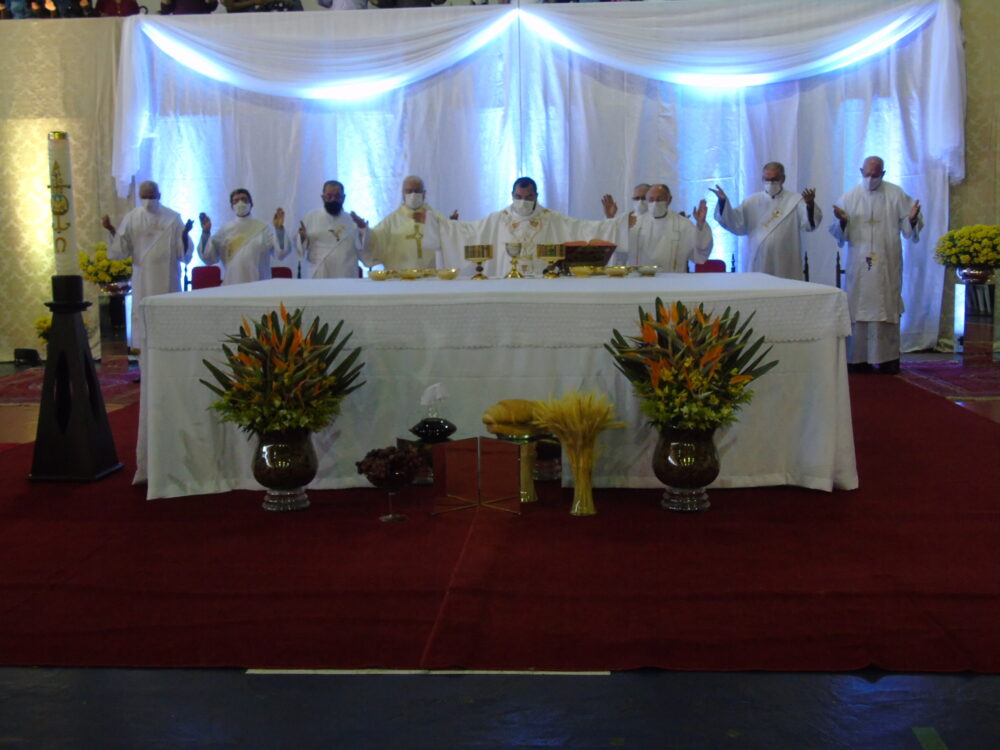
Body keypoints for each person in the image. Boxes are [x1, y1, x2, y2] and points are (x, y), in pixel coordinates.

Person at [830, 156, 923, 375]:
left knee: (886, 305)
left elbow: (909, 226)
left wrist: (911, 220)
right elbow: (838, 232)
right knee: (858, 307)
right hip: (859, 262)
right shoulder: (850, 197)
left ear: (883, 173)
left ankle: (887, 358)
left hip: (887, 260)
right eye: (867, 174)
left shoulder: (896, 194)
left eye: (876, 175)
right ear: (861, 171)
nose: (871, 179)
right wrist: (842, 221)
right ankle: (858, 358)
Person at [442, 177, 621, 277]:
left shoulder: (551, 218)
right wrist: (453, 227)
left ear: (536, 196)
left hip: (542, 281)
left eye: (528, 197)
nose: (523, 201)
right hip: (507, 282)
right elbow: (473, 232)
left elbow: (582, 229)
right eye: (519, 197)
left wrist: (610, 221)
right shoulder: (498, 219)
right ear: (512, 195)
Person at [103, 181, 193, 353]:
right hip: (142, 277)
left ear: (159, 196)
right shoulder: (132, 217)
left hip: (167, 277)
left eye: (152, 197)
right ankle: (144, 357)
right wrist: (111, 229)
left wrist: (184, 235)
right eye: (144, 197)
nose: (148, 201)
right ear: (139, 197)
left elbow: (183, 253)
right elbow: (122, 248)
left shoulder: (173, 218)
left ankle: (170, 353)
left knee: (167, 318)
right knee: (144, 317)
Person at [710, 162, 821, 280]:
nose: (770, 183)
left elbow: (809, 225)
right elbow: (735, 222)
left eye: (774, 180)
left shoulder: (795, 201)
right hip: (760, 259)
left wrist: (810, 206)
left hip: (786, 260)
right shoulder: (752, 201)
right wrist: (723, 202)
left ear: (783, 179)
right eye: (767, 180)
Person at [197, 189, 293, 285]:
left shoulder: (263, 229)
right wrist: (206, 233)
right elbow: (208, 257)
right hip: (232, 284)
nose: (240, 203)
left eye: (244, 199)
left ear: (251, 203)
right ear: (232, 206)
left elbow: (282, 252)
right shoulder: (224, 231)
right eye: (236, 200)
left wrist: (279, 229)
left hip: (259, 285)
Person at [367, 176, 458, 272]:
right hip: (400, 277)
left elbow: (450, 240)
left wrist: (451, 226)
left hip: (432, 275)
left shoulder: (436, 217)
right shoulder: (391, 221)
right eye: (409, 191)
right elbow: (375, 239)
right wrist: (364, 231)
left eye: (417, 191)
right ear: (403, 194)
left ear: (424, 194)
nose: (413, 195)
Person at [625, 184, 712, 272]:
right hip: (640, 278)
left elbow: (700, 254)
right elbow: (621, 251)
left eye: (659, 199)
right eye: (651, 200)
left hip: (673, 279)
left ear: (669, 200)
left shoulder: (683, 224)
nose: (655, 203)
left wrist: (701, 225)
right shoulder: (635, 224)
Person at [296, 180, 370, 279]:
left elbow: (363, 248)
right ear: (323, 197)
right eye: (329, 196)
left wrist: (362, 229)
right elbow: (301, 248)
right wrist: (302, 238)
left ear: (343, 198)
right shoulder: (311, 217)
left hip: (346, 273)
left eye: (337, 196)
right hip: (319, 272)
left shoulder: (352, 220)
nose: (333, 199)